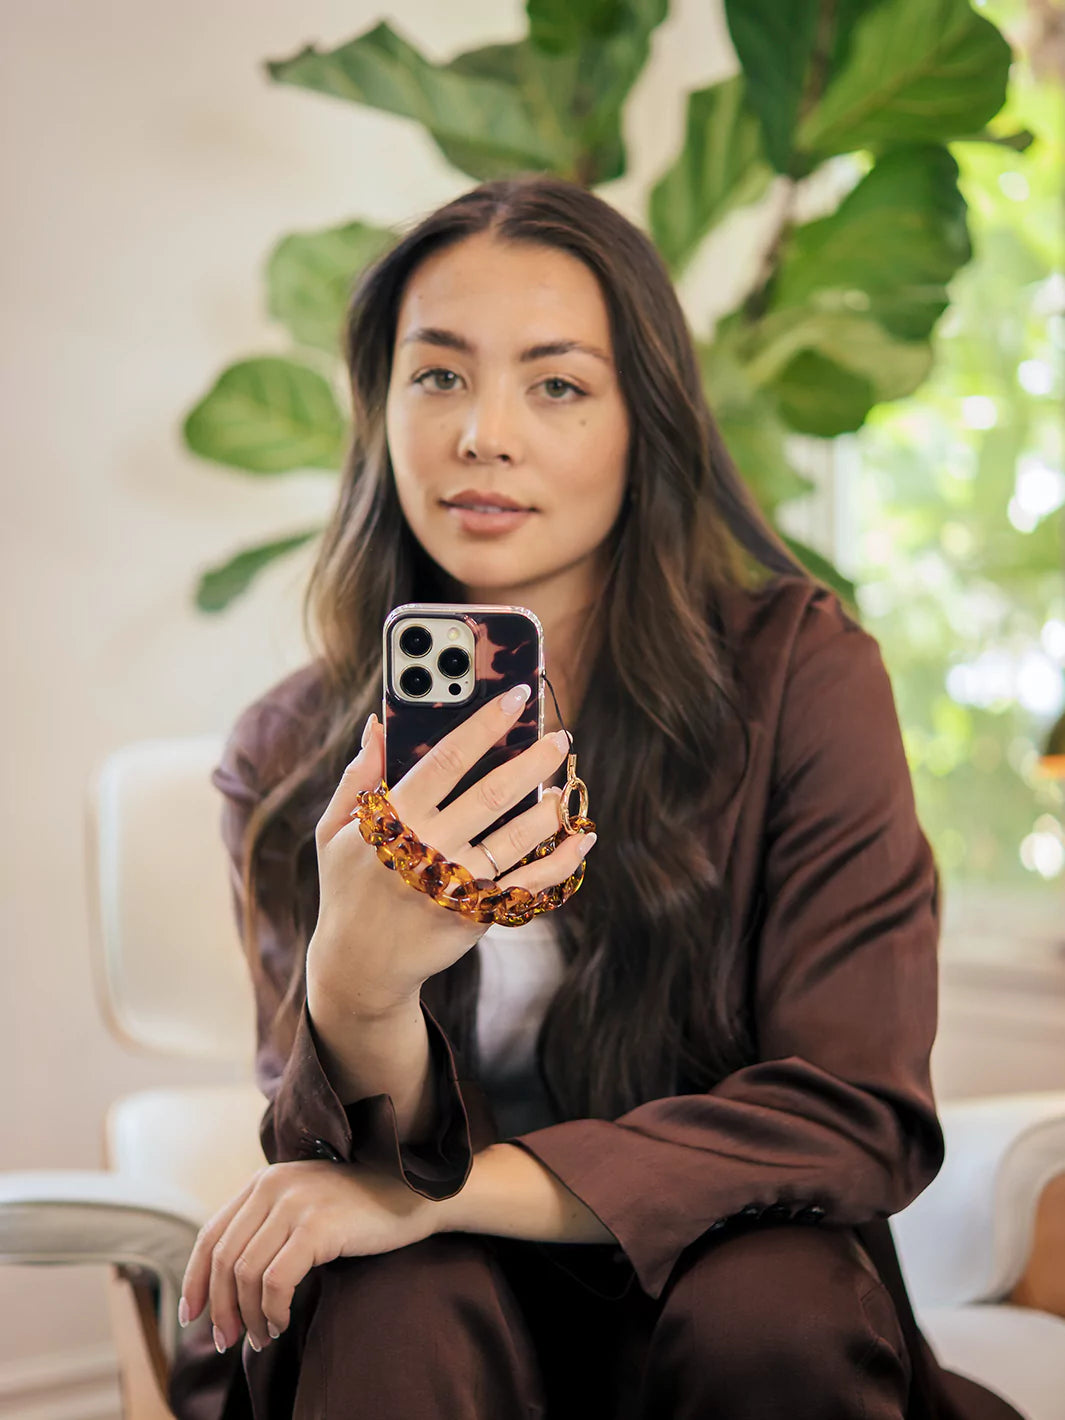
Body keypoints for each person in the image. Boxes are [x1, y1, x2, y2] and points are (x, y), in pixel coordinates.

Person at [168, 175, 1023, 1420]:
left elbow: (853, 1111)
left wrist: (461, 1188)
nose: (483, 435)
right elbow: (339, 1182)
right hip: (432, 1316)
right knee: (388, 1295)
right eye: (439, 375)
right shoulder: (297, 752)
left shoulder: (799, 677)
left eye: (556, 383)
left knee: (770, 1301)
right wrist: (356, 992)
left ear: (644, 421)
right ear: (381, 407)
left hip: (717, 1283)